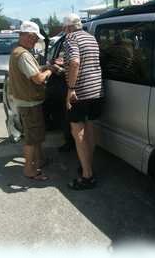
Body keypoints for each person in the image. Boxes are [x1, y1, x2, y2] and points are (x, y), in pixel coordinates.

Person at [8, 21, 54, 181]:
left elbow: (30, 72)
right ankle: (29, 170)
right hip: (29, 102)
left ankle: (39, 160)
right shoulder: (24, 55)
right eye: (34, 38)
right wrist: (50, 70)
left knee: (36, 134)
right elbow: (37, 79)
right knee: (32, 138)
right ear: (28, 36)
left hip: (25, 100)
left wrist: (44, 67)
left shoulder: (17, 51)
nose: (35, 41)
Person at [63, 14, 104, 190]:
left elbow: (74, 62)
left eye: (64, 28)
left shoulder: (70, 38)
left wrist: (71, 88)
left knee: (77, 131)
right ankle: (87, 164)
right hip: (97, 89)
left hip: (80, 92)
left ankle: (87, 176)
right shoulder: (91, 37)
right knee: (90, 129)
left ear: (68, 27)